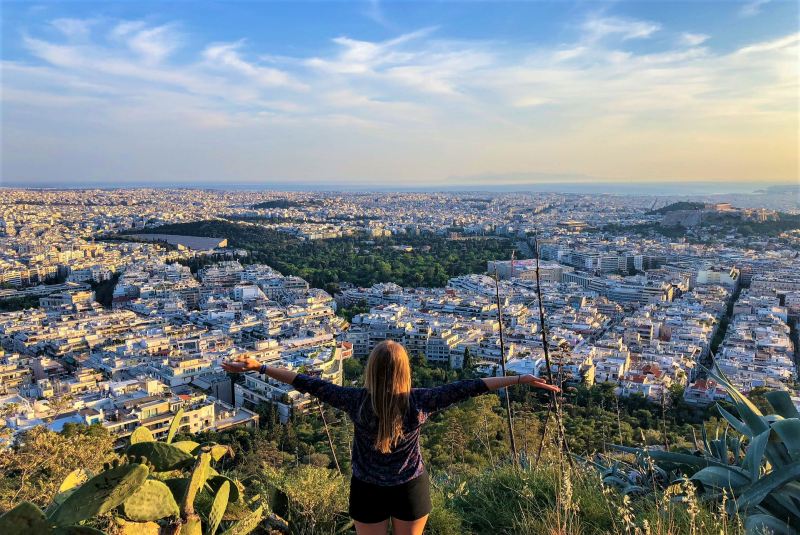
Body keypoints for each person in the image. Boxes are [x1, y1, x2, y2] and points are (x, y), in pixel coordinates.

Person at [223, 340, 559, 535]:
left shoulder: (355, 401)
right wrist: (519, 380)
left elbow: (304, 381)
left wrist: (259, 367)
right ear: (405, 371)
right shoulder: (420, 401)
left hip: (367, 489)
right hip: (410, 488)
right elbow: (469, 387)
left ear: (370, 370)